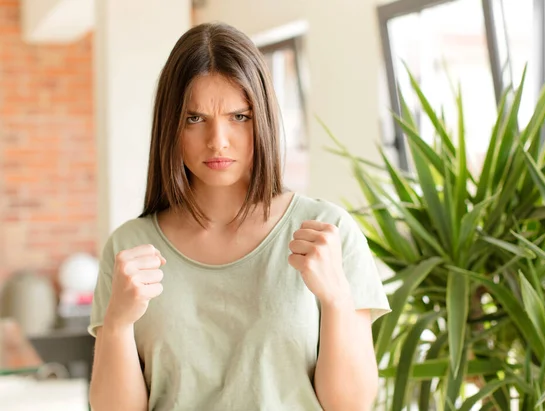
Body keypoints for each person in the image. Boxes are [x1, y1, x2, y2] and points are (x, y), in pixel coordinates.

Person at [87, 22, 391, 411]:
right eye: (194, 119)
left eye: (239, 117)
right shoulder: (129, 249)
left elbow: (350, 406)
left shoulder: (328, 235)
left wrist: (335, 299)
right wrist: (116, 325)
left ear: (262, 118)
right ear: (170, 126)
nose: (218, 140)